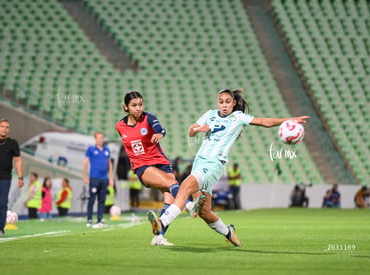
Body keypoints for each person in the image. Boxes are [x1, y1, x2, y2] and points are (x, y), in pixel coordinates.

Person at [148, 88, 310, 246]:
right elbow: (191, 131)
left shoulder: (238, 117)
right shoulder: (210, 114)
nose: (224, 105)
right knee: (205, 212)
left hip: (214, 163)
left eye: (227, 102)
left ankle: (162, 223)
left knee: (185, 186)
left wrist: (288, 120)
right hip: (199, 163)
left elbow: (263, 122)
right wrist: (199, 129)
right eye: (221, 102)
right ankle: (229, 232)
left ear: (233, 103)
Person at [115, 91, 203, 246]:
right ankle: (189, 204)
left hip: (161, 161)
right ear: (126, 107)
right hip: (142, 166)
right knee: (171, 184)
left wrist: (160, 134)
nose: (138, 108)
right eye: (134, 105)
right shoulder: (120, 126)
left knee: (169, 197)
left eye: (140, 104)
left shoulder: (149, 117)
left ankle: (159, 236)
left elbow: (160, 129)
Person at [0, 118, 24, 236]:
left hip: (4, 179)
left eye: (7, 127)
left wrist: (20, 177)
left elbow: (18, 161)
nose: (5, 129)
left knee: (2, 204)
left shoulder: (12, 143)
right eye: (2, 127)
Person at [83, 132, 114, 228]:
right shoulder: (91, 149)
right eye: (98, 138)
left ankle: (100, 219)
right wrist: (85, 176)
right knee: (92, 199)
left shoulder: (106, 150)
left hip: (104, 178)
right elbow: (85, 163)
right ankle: (89, 219)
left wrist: (111, 178)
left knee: (102, 200)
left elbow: (109, 164)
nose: (100, 140)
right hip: (94, 178)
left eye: (101, 138)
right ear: (95, 139)